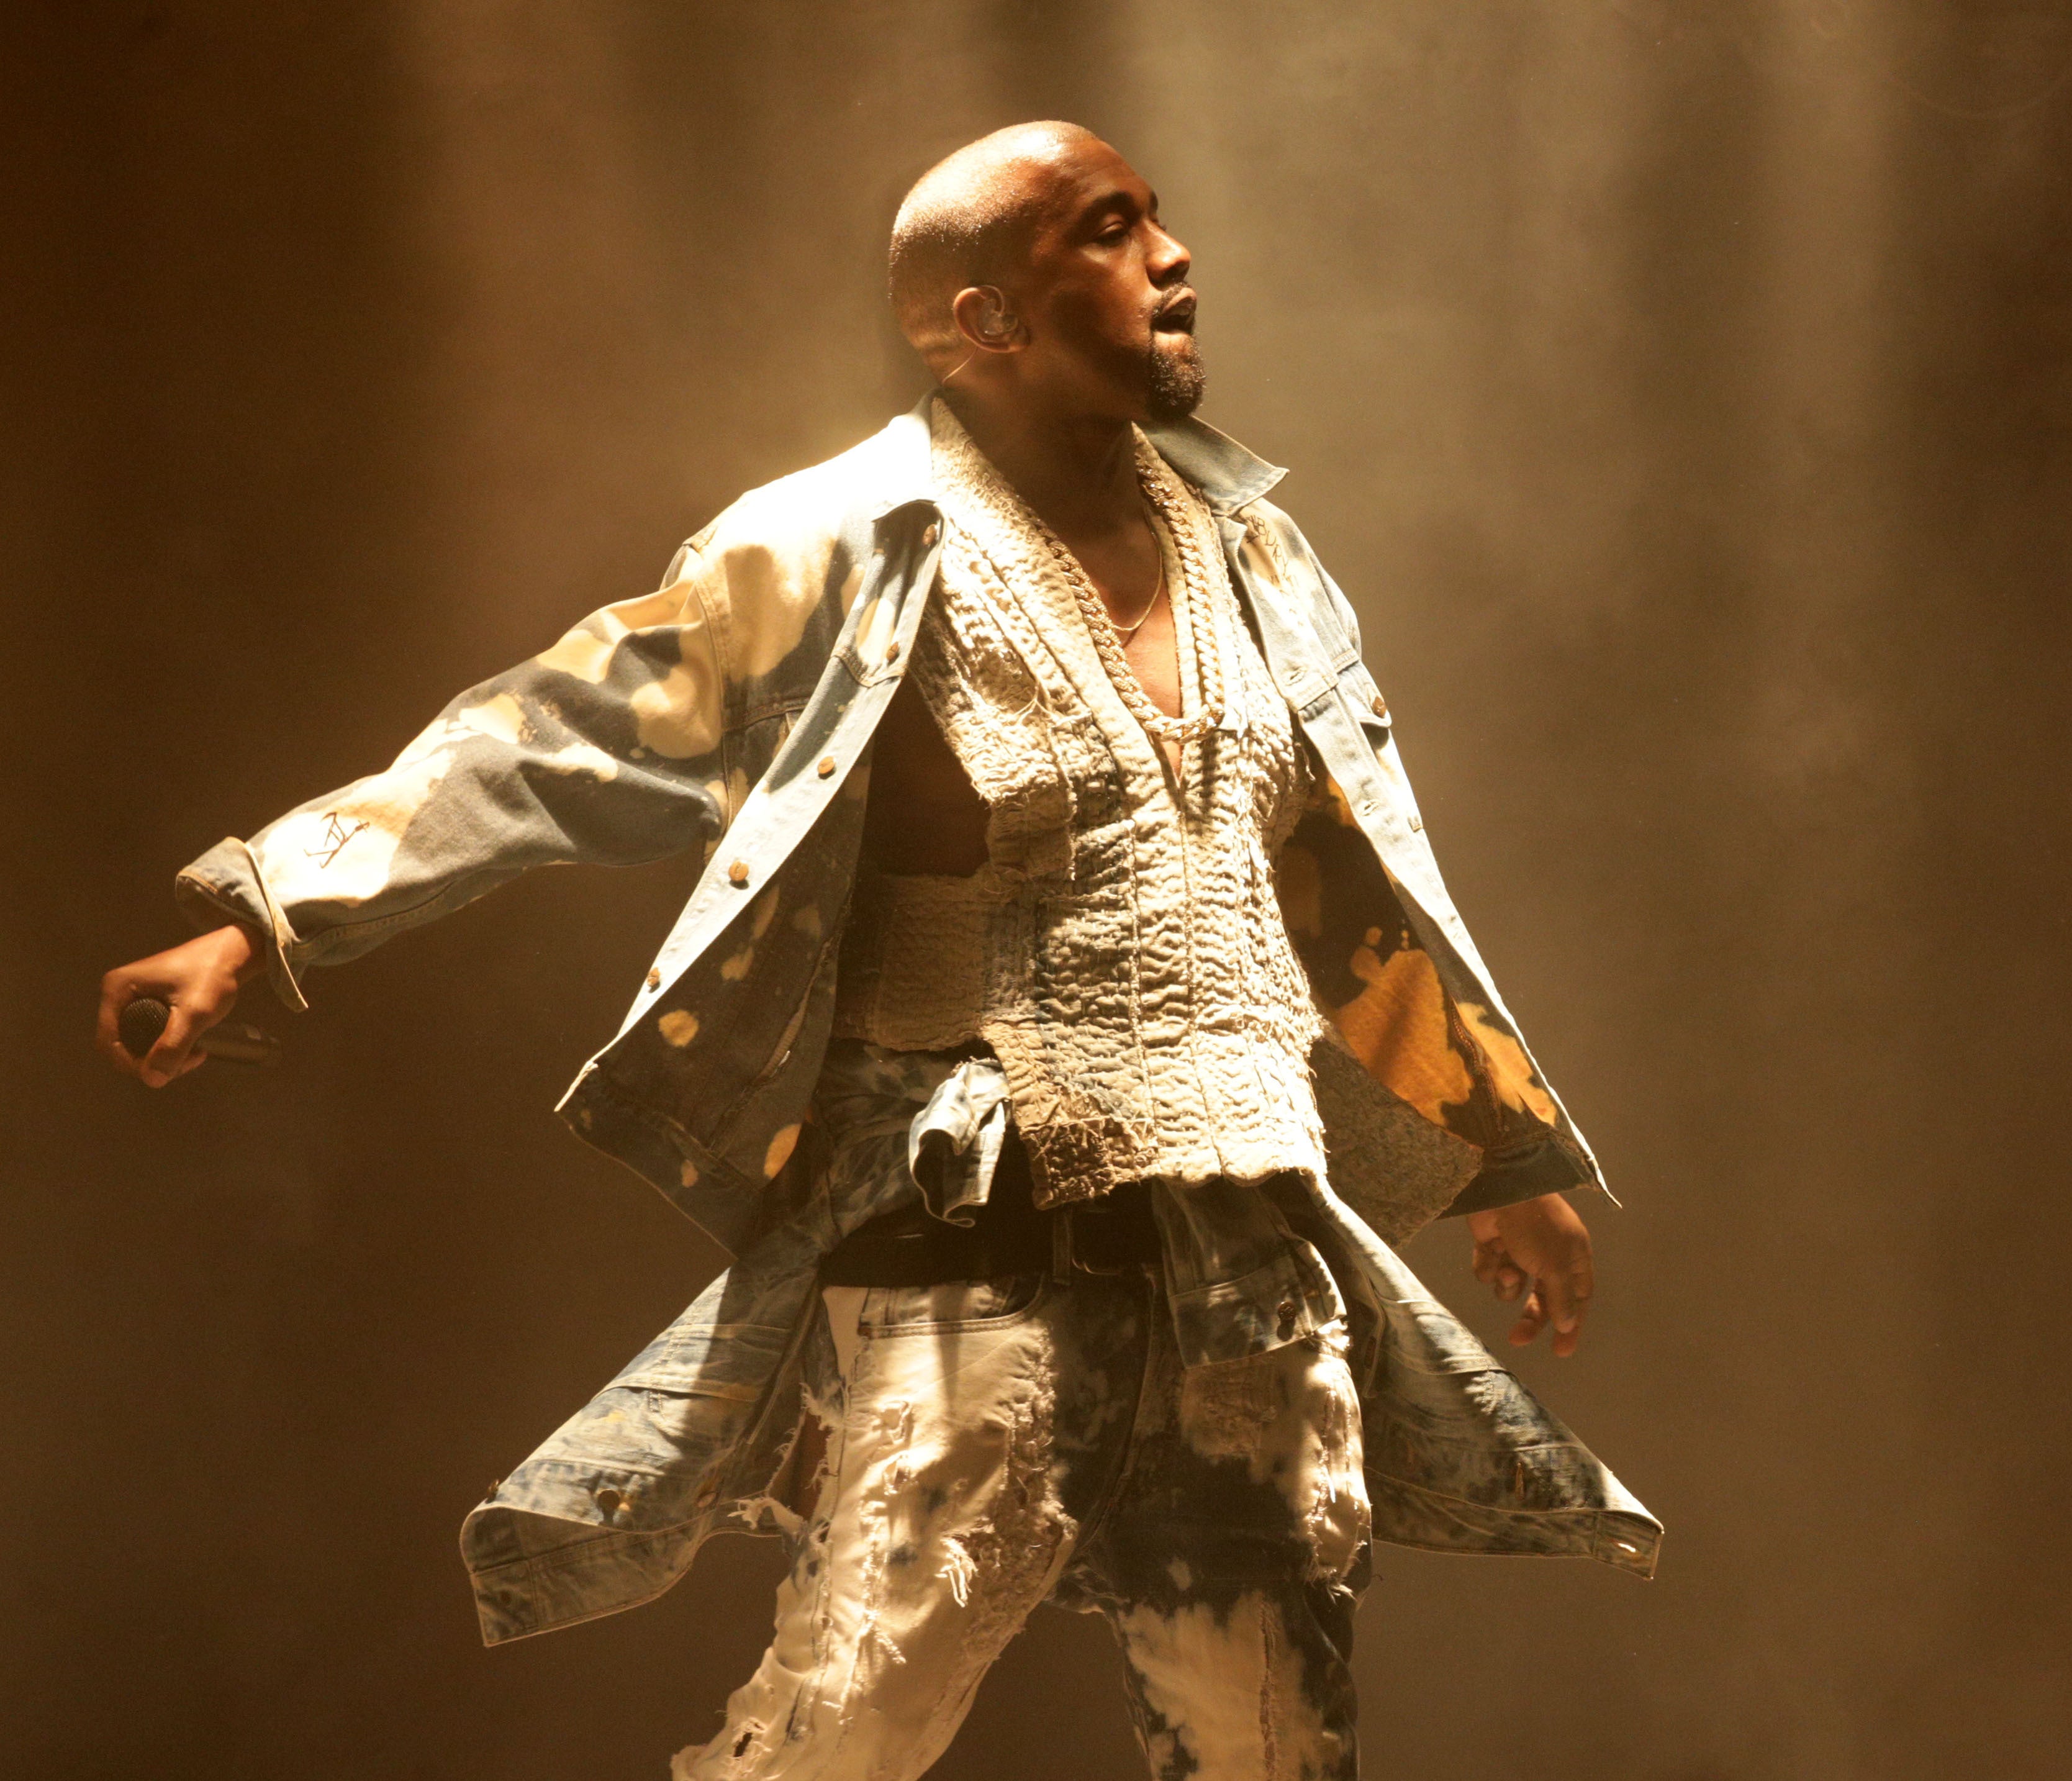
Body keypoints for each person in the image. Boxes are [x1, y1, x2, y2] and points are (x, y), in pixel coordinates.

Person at [96, 121, 1657, 1780]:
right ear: (979, 319)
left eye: (1157, 218)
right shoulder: (840, 540)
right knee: (858, 1708)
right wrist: (263, 913)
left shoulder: (1260, 553)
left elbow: (1337, 880)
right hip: (965, 1212)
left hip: (1247, 1235)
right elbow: (558, 734)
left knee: (1269, 1723)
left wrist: (1498, 1151)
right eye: (1108, 229)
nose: (1172, 254)